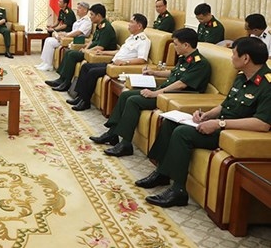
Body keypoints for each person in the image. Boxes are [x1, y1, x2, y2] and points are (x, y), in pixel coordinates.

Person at [136, 37, 271, 208]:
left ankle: (178, 191)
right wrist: (206, 115)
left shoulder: (267, 85)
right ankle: (162, 173)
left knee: (182, 133)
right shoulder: (241, 77)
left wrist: (220, 125)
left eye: (234, 54)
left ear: (245, 58)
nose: (231, 57)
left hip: (231, 131)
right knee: (171, 122)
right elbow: (225, 105)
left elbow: (262, 124)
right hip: (221, 123)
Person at [90, 28, 211, 157]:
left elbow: (182, 84)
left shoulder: (200, 63)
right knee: (126, 94)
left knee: (133, 101)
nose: (174, 47)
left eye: (176, 44)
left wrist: (156, 93)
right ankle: (112, 133)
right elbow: (175, 73)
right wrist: (154, 73)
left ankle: (125, 144)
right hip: (166, 91)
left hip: (177, 96)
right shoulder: (185, 58)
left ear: (186, 45)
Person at [67, 14, 151, 111]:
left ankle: (85, 102)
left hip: (119, 67)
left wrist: (125, 62)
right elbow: (119, 52)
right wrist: (103, 52)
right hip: (112, 63)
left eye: (132, 22)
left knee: (92, 72)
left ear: (139, 26)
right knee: (86, 67)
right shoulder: (131, 38)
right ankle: (80, 97)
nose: (129, 24)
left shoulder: (143, 41)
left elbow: (142, 59)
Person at [45, 3, 117, 92]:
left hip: (97, 54)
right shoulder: (99, 25)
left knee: (72, 55)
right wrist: (86, 48)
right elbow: (92, 41)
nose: (90, 17)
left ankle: (66, 83)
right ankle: (61, 79)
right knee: (68, 52)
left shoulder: (107, 28)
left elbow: (100, 47)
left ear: (98, 16)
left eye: (92, 15)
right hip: (91, 51)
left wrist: (87, 51)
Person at [35, 1, 92, 71]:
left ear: (85, 10)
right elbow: (73, 31)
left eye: (79, 8)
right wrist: (63, 33)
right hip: (70, 37)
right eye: (77, 8)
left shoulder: (87, 21)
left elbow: (78, 32)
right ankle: (45, 62)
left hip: (75, 40)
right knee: (48, 39)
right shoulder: (79, 20)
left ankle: (49, 65)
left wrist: (66, 35)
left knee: (50, 42)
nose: (77, 10)